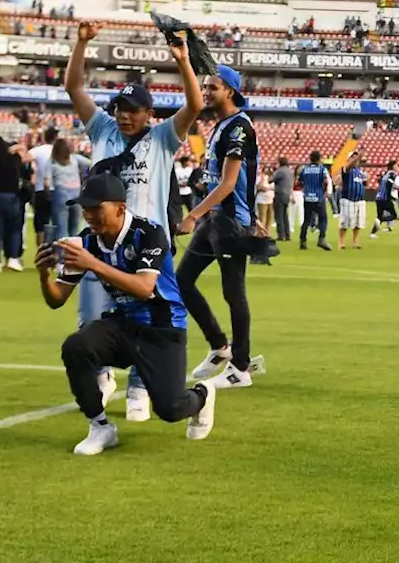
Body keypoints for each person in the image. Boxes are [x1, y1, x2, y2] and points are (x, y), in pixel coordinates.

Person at [65, 21, 202, 422]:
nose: (124, 117)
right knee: (93, 313)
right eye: (120, 110)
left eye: (133, 111)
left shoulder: (162, 137)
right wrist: (82, 43)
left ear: (149, 113)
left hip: (148, 244)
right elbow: (74, 88)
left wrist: (182, 62)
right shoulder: (102, 129)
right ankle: (102, 372)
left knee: (148, 315)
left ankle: (141, 387)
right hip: (102, 238)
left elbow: (193, 106)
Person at [36, 174, 216, 454]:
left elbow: (145, 288)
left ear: (120, 208)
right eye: (85, 209)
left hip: (162, 329)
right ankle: (100, 427)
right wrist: (43, 273)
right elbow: (57, 299)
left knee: (170, 409)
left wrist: (93, 264)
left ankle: (203, 395)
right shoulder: (88, 241)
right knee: (76, 346)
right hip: (122, 324)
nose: (89, 215)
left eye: (96, 208)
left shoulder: (149, 233)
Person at [178, 65, 268, 390]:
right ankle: (219, 346)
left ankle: (241, 368)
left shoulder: (239, 128)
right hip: (217, 218)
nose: (206, 92)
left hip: (229, 224)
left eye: (212, 87)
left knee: (234, 293)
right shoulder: (220, 126)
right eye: (205, 86)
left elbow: (229, 183)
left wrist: (192, 215)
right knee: (182, 281)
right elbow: (240, 180)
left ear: (229, 90)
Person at [0, 137, 26, 273]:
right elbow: (23, 149)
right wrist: (10, 149)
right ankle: (13, 258)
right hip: (12, 197)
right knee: (14, 230)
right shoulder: (13, 159)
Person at [46, 138, 90, 240]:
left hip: (60, 192)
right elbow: (91, 163)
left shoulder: (52, 162)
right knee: (74, 228)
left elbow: (47, 182)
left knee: (61, 228)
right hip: (76, 193)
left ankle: (61, 253)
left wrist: (48, 194)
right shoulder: (74, 158)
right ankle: (73, 252)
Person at [29, 127, 58, 248]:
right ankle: (56, 253)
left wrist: (32, 170)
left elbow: (24, 158)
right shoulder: (61, 151)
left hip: (41, 189)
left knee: (40, 222)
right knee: (58, 222)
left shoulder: (37, 150)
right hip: (58, 189)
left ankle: (41, 252)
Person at [297, 150, 332, 251]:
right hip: (318, 197)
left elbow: (298, 182)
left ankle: (302, 241)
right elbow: (326, 181)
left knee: (306, 220)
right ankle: (321, 239)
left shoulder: (304, 169)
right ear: (319, 158)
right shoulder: (322, 169)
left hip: (307, 197)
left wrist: (305, 187)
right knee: (323, 218)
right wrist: (324, 191)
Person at [338, 150, 368, 250]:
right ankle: (342, 241)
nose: (356, 159)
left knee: (358, 223)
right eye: (353, 157)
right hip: (348, 199)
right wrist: (358, 156)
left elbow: (364, 184)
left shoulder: (360, 172)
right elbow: (347, 167)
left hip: (359, 199)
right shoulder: (346, 169)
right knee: (345, 222)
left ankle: (355, 241)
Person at [371, 161, 399, 238]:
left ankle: (372, 233)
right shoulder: (392, 175)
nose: (398, 167)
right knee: (394, 215)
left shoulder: (385, 174)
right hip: (385, 198)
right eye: (396, 165)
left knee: (379, 216)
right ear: (393, 167)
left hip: (378, 198)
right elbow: (388, 186)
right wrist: (390, 197)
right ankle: (381, 220)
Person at [271, 156, 293, 242]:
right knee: (285, 215)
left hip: (279, 194)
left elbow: (272, 180)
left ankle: (281, 235)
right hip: (287, 194)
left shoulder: (280, 171)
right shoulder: (289, 171)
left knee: (279, 216)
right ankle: (287, 234)